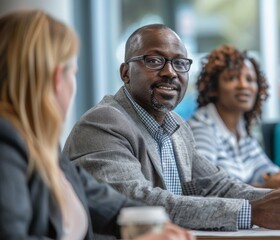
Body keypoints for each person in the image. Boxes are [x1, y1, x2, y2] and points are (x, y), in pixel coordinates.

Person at [63, 24, 280, 231]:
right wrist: (252, 211)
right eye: (154, 61)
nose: (170, 72)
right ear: (125, 73)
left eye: (179, 63)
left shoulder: (177, 127)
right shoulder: (103, 123)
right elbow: (139, 203)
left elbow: (219, 186)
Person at [0, 10, 194, 240]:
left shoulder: (42, 147)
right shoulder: (6, 144)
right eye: (74, 73)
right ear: (56, 79)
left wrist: (155, 226)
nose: (169, 73)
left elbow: (108, 204)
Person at [188, 45, 280, 189]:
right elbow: (204, 187)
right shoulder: (201, 127)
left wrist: (278, 179)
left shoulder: (242, 129)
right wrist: (263, 188)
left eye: (250, 79)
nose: (243, 85)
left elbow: (264, 167)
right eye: (232, 78)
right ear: (213, 88)